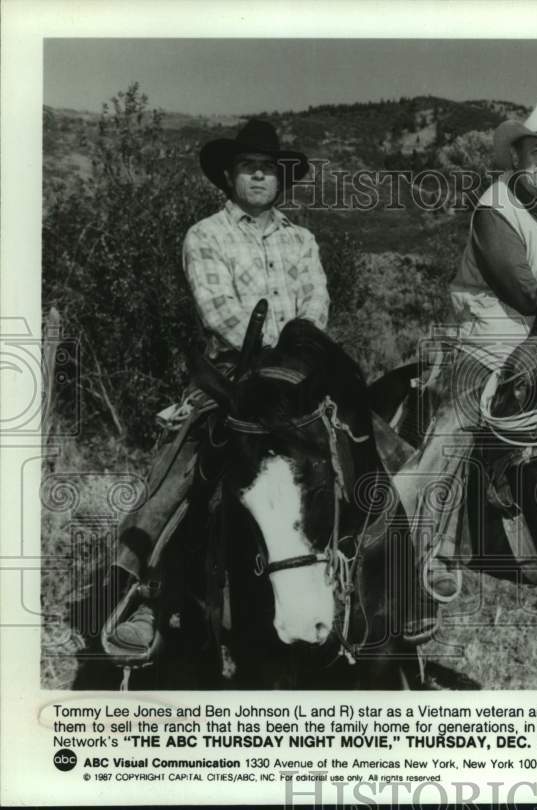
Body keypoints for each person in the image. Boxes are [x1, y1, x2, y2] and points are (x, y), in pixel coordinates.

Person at [102, 120, 330, 658]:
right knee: (183, 468)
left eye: (268, 168)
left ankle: (393, 578)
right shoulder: (205, 235)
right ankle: (146, 591)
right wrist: (278, 352)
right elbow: (219, 311)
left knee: (368, 443)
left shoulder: (302, 240)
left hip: (299, 376)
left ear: (280, 178)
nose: (260, 176)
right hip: (232, 378)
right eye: (249, 167)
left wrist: (300, 354)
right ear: (230, 176)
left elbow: (316, 304)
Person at [395, 101, 537, 642]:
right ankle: (426, 555)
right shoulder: (493, 208)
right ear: (516, 155)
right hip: (492, 326)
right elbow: (523, 293)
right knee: (459, 423)